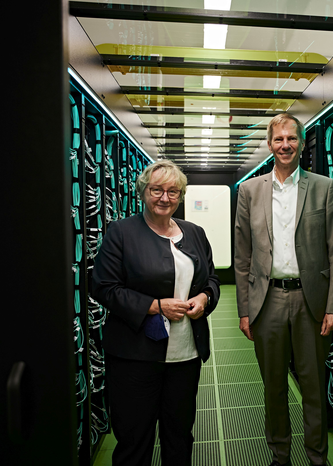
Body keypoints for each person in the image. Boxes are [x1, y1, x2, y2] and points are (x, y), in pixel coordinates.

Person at [234, 113, 333, 466]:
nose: (285, 145)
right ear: (269, 144)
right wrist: (244, 309)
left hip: (310, 301)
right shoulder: (250, 191)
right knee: (274, 388)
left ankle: (317, 458)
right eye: (279, 139)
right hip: (266, 302)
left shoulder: (323, 187)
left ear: (301, 142)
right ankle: (280, 456)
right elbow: (242, 255)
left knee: (313, 388)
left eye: (292, 139)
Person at [91, 160, 220, 466]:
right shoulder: (121, 233)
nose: (165, 197)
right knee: (135, 440)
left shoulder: (195, 233)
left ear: (181, 195)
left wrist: (204, 298)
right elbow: (103, 287)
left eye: (173, 191)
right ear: (143, 192)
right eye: (157, 190)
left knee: (179, 436)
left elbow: (212, 279)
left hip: (185, 356)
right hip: (135, 357)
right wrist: (155, 306)